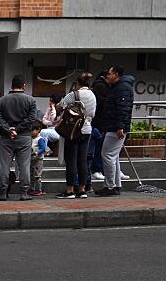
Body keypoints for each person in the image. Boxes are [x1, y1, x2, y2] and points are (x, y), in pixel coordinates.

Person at [0, 75, 39, 201]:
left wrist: (9, 129)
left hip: (6, 137)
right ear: (24, 86)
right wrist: (18, 129)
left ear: (11, 86)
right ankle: (24, 192)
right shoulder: (31, 100)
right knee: (24, 165)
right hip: (24, 136)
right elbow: (31, 119)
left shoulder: (2, 100)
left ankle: (3, 192)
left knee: (4, 166)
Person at [57, 72, 97, 199]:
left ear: (78, 84)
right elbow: (93, 113)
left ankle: (69, 190)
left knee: (71, 160)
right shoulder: (92, 95)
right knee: (82, 161)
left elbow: (60, 106)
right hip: (87, 129)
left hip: (73, 130)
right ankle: (82, 189)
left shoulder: (74, 94)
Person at [96, 65, 134, 196]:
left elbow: (123, 108)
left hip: (115, 127)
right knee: (113, 156)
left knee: (107, 155)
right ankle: (115, 185)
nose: (107, 75)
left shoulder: (121, 88)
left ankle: (110, 186)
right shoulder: (120, 87)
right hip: (115, 126)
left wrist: (119, 126)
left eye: (110, 73)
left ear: (116, 74)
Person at [89, 71, 110, 184]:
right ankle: (96, 169)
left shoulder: (100, 86)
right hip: (99, 122)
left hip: (98, 122)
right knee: (98, 146)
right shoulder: (101, 87)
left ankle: (98, 169)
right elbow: (103, 105)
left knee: (99, 147)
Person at [29, 126, 48, 196]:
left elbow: (43, 148)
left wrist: (36, 152)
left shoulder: (40, 139)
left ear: (38, 130)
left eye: (32, 130)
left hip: (38, 160)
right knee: (32, 175)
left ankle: (38, 189)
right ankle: (32, 188)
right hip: (32, 159)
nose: (31, 132)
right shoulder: (31, 139)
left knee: (37, 175)